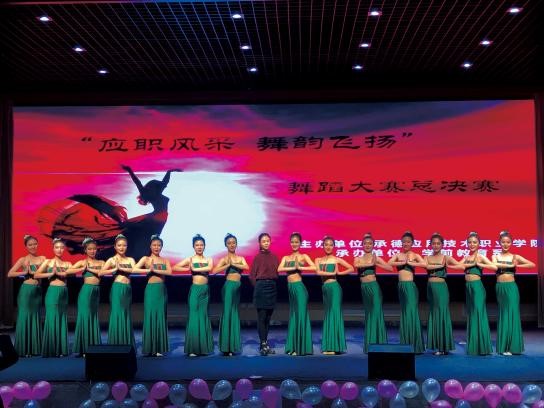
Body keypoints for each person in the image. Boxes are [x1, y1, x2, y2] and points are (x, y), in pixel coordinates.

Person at [37, 165, 182, 260]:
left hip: (158, 219)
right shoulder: (151, 194)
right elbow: (138, 182)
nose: (161, 186)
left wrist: (169, 172)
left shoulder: (157, 191)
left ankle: (138, 255)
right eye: (157, 186)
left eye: (159, 186)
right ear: (154, 188)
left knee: (141, 236)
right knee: (136, 234)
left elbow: (164, 182)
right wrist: (130, 171)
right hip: (155, 219)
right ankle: (133, 255)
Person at [492, 230, 535, 355]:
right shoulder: (495, 256)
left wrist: (518, 265)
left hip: (511, 288)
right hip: (500, 288)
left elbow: (532, 264)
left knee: (512, 314)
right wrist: (510, 265)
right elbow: (494, 265)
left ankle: (512, 347)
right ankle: (504, 346)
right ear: (499, 243)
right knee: (503, 314)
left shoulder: (515, 257)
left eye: (508, 242)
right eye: (503, 242)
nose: (505, 244)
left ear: (511, 243)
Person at [173, 234, 214, 356]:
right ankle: (193, 348)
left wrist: (194, 268)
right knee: (194, 317)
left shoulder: (209, 259)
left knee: (203, 316)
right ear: (193, 247)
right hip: (195, 290)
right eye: (197, 245)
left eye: (201, 245)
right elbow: (174, 267)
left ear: (204, 246)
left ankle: (204, 348)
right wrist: (187, 269)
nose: (199, 247)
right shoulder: (190, 259)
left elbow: (209, 268)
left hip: (205, 291)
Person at [424, 232, 464, 355]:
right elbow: (425, 267)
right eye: (433, 243)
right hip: (431, 288)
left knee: (441, 314)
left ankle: (443, 346)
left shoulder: (446, 257)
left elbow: (461, 266)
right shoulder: (426, 258)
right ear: (430, 245)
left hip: (441, 288)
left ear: (442, 245)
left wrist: (450, 265)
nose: (436, 245)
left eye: (438, 243)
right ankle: (437, 345)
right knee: (434, 314)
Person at [133, 235, 172, 356]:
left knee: (160, 316)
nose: (156, 247)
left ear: (162, 247)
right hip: (151, 290)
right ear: (150, 246)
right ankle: (150, 348)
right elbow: (134, 269)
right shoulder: (146, 259)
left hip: (161, 290)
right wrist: (147, 271)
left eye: (159, 245)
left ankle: (159, 347)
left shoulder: (165, 260)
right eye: (154, 245)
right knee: (150, 316)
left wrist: (155, 270)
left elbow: (169, 272)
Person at [278, 232, 316, 356]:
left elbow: (314, 267)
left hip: (299, 288)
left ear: (300, 243)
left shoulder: (303, 256)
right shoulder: (286, 258)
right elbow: (279, 269)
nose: (294, 244)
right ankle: (293, 346)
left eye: (297, 242)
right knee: (294, 316)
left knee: (300, 315)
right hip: (291, 288)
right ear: (290, 243)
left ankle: (301, 348)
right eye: (292, 242)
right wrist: (293, 267)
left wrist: (300, 267)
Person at [7, 235, 45, 357]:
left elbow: (47, 272)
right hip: (26, 292)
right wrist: (25, 272)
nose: (33, 246)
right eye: (30, 245)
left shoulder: (42, 258)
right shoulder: (23, 260)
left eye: (35, 244)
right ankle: (23, 349)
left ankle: (35, 348)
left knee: (35, 317)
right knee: (25, 318)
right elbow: (10, 274)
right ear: (26, 247)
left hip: (37, 292)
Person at [353, 233, 392, 353]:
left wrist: (376, 263)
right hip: (364, 288)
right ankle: (370, 342)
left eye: (370, 243)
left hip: (374, 287)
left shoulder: (376, 257)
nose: (367, 245)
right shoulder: (358, 258)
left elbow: (390, 268)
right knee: (369, 313)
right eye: (365, 243)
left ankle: (380, 342)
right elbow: (356, 265)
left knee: (376, 312)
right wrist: (370, 264)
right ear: (362, 245)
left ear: (373, 245)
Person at [388, 231, 425, 353]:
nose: (406, 244)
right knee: (404, 312)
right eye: (404, 242)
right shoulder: (398, 255)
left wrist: (411, 262)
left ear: (412, 243)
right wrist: (402, 262)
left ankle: (415, 344)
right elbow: (389, 263)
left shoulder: (415, 255)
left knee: (411, 312)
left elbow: (425, 264)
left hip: (410, 286)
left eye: (408, 242)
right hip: (401, 286)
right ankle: (406, 342)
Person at [315, 236, 353, 355]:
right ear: (323, 246)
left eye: (331, 245)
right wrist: (332, 272)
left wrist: (340, 273)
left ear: (334, 247)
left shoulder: (336, 259)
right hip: (325, 288)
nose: (328, 247)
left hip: (335, 288)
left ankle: (335, 346)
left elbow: (351, 268)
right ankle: (328, 345)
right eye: (326, 244)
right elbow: (318, 272)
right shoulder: (318, 260)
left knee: (334, 314)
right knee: (328, 315)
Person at [34, 238, 73, 357]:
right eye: (57, 247)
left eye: (61, 247)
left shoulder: (68, 263)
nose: (59, 250)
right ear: (53, 249)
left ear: (64, 249)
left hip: (63, 293)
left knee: (61, 319)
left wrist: (64, 273)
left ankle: (61, 349)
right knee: (52, 319)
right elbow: (36, 274)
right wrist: (51, 273)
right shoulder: (48, 262)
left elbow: (73, 274)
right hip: (52, 292)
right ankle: (50, 349)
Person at [212, 233, 249, 356]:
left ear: (236, 244)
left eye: (233, 243)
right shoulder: (224, 259)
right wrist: (227, 265)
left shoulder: (240, 258)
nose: (232, 245)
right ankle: (226, 346)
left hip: (237, 287)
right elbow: (214, 271)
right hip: (228, 287)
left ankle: (232, 345)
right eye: (229, 243)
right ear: (226, 245)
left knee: (234, 313)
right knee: (227, 313)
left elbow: (246, 266)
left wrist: (234, 264)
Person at [67, 237, 105, 356]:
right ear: (85, 250)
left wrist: (90, 269)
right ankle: (83, 348)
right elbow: (67, 271)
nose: (92, 251)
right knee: (85, 318)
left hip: (96, 292)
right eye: (90, 249)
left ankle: (93, 347)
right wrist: (82, 269)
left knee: (93, 318)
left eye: (94, 249)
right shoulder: (82, 262)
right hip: (86, 292)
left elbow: (102, 272)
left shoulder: (102, 262)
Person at [100, 234, 139, 347]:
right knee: (117, 314)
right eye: (119, 245)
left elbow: (134, 270)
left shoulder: (130, 259)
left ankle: (126, 343)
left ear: (127, 246)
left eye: (124, 245)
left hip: (127, 289)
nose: (122, 247)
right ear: (115, 246)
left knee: (126, 314)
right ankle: (116, 343)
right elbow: (100, 273)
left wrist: (120, 268)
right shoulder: (112, 260)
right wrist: (114, 269)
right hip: (117, 289)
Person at [461, 231, 497, 355]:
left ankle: (482, 346)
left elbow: (494, 267)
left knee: (478, 313)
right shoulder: (466, 257)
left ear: (479, 244)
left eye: (474, 242)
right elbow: (458, 266)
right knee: (471, 313)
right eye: (470, 242)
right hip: (468, 287)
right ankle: (474, 343)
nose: (472, 244)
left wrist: (479, 264)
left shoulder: (480, 256)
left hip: (477, 287)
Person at [249, 233, 280, 356]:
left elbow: (277, 272)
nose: (266, 243)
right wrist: (258, 287)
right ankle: (263, 344)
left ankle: (265, 343)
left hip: (272, 287)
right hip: (261, 287)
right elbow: (252, 276)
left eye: (268, 241)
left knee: (268, 318)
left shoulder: (274, 257)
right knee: (261, 318)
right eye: (263, 241)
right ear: (260, 243)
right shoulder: (257, 257)